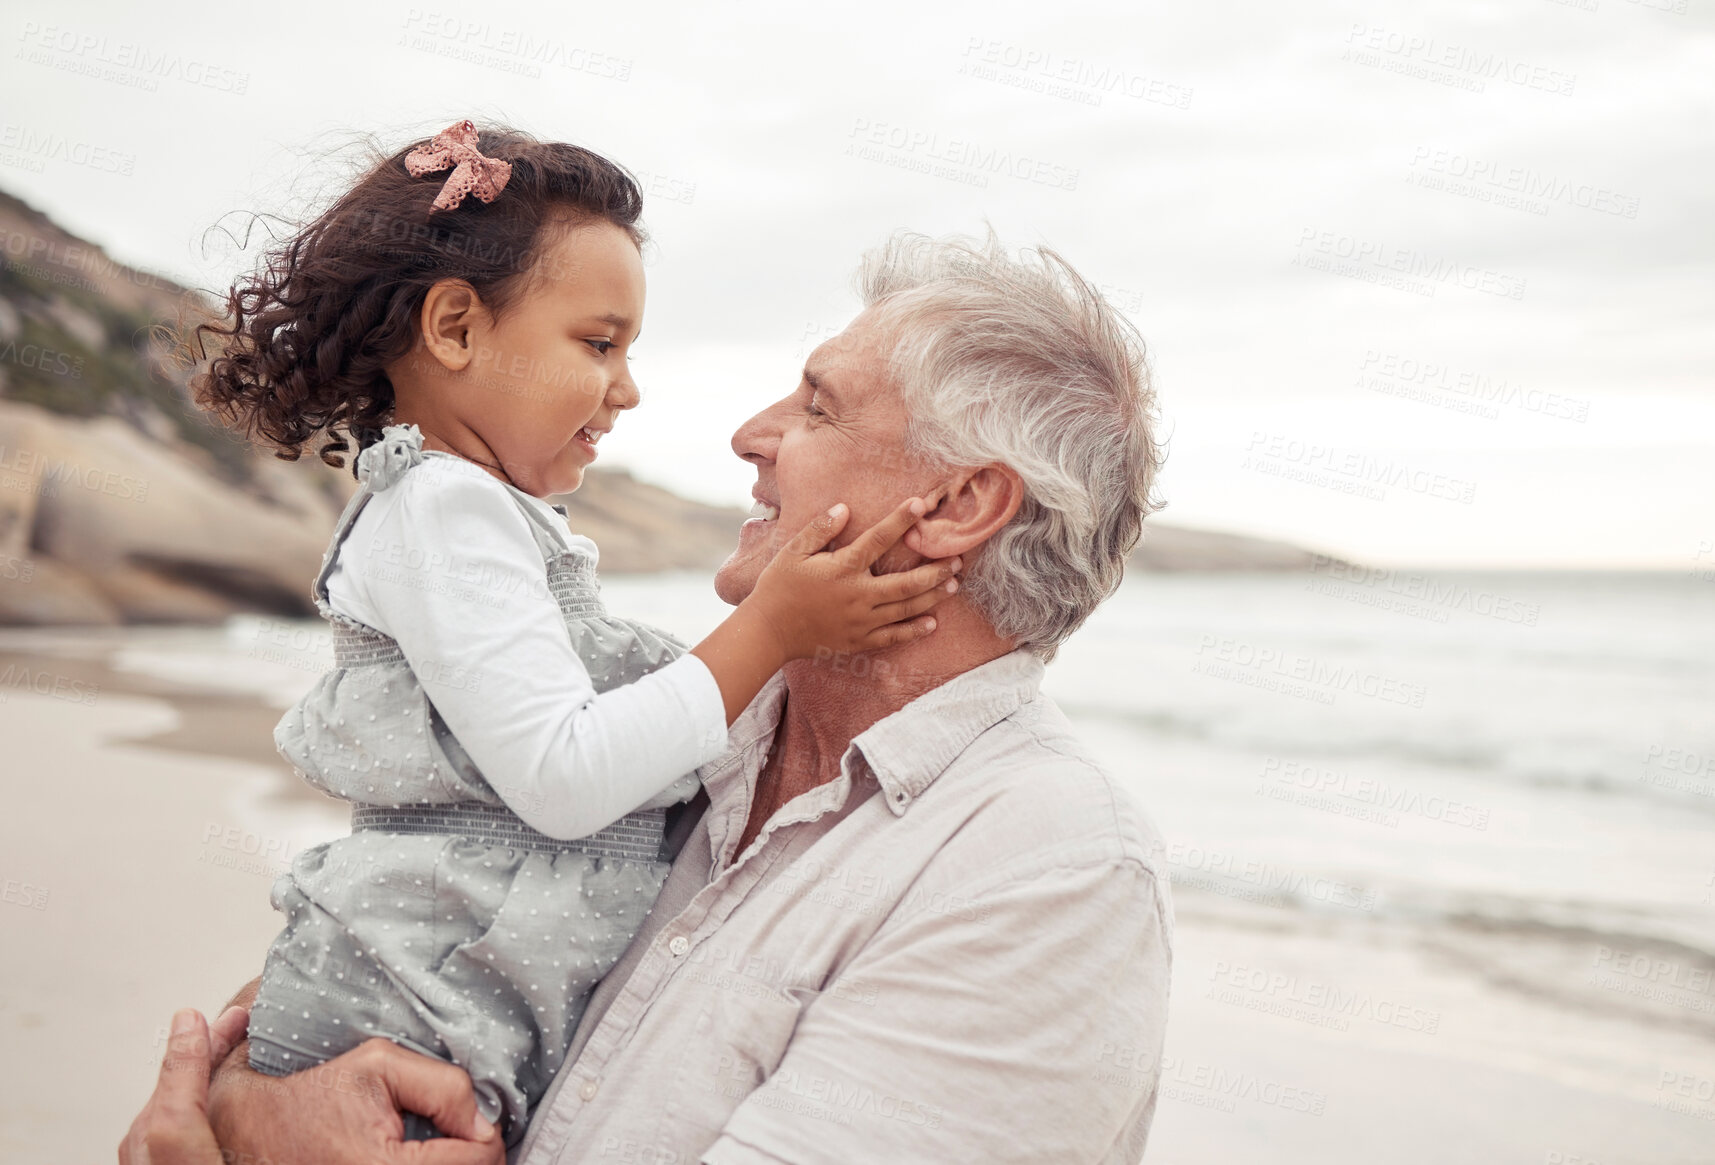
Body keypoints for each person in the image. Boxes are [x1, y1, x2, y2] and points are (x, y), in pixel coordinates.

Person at [125, 228, 1172, 1165]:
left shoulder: (1052, 870)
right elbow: (384, 962)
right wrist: (253, 1102)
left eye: (816, 405)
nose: (749, 435)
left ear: (959, 504)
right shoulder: (660, 729)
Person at [162, 119, 962, 1147]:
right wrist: (770, 629)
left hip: (454, 991)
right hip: (417, 999)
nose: (626, 388)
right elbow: (564, 776)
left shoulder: (472, 513)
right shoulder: (446, 512)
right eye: (598, 344)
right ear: (453, 329)